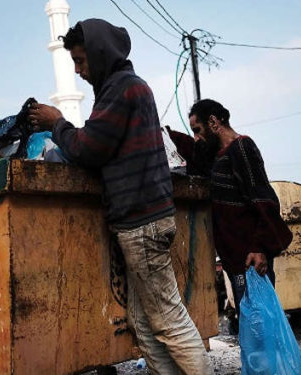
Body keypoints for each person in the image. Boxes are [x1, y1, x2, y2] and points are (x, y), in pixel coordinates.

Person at [27, 19, 211, 374]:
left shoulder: (121, 89)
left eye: (80, 61)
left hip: (141, 223)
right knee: (144, 323)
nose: (79, 71)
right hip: (144, 220)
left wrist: (57, 123)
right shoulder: (128, 87)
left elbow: (89, 148)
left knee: (168, 320)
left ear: (97, 54)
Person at [168, 99, 293, 321]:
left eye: (198, 130)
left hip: (251, 259)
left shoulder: (242, 148)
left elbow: (264, 199)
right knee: (253, 325)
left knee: (261, 323)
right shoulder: (218, 157)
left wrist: (259, 248)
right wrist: (168, 135)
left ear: (214, 122)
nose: (196, 137)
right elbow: (196, 159)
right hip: (236, 261)